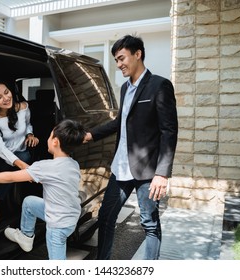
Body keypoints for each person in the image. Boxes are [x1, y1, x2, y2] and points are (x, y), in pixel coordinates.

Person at [84, 35, 178, 260]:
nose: (119, 65)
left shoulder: (160, 85)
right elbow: (120, 122)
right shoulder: (125, 88)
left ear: (138, 54)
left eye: (121, 58)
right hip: (121, 167)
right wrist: (90, 135)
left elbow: (169, 131)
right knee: (105, 217)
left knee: (149, 223)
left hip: (148, 172)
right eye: (116, 60)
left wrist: (162, 174)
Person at [0, 119, 86, 260]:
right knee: (29, 202)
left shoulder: (46, 167)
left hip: (58, 225)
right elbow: (57, 181)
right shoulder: (73, 164)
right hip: (70, 216)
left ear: (55, 141)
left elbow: (10, 177)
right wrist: (36, 174)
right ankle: (26, 238)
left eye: (50, 136)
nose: (48, 138)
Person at [0, 79, 39, 225]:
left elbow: (28, 125)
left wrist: (30, 135)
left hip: (21, 153)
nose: (6, 98)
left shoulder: (24, 107)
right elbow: (0, 148)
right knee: (9, 164)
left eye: (6, 92)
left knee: (23, 156)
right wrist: (20, 164)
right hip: (3, 155)